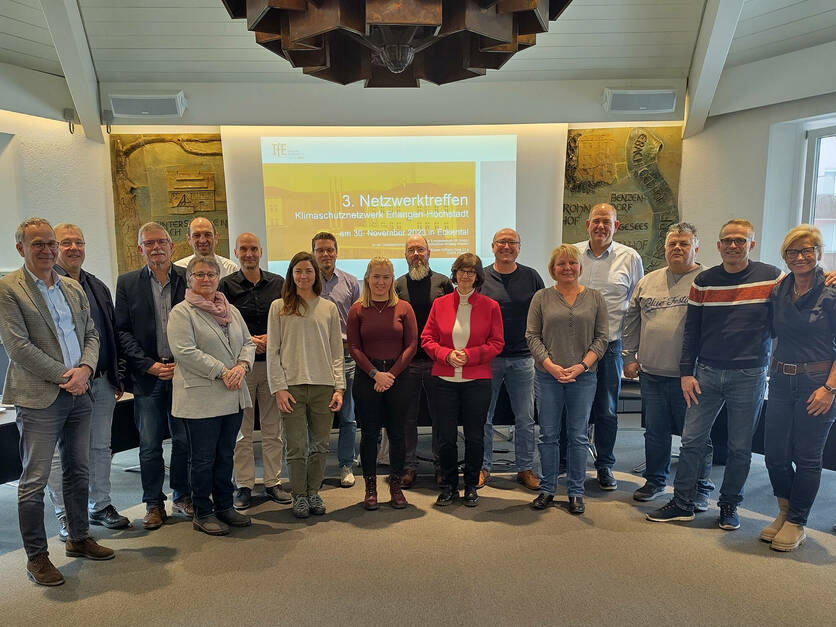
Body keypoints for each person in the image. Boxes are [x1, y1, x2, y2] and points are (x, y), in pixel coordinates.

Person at [647, 219, 782, 530]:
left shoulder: (771, 277)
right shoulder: (704, 281)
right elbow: (691, 331)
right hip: (705, 373)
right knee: (692, 440)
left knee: (738, 447)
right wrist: (685, 373)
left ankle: (728, 506)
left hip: (748, 375)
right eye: (727, 240)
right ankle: (682, 503)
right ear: (718, 246)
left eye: (740, 240)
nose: (733, 246)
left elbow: (792, 305)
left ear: (752, 244)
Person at [0, 217, 113, 587]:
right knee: (34, 480)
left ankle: (79, 538)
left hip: (80, 393)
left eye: (51, 243)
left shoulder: (70, 287)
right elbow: (18, 347)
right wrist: (68, 376)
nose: (48, 250)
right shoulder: (8, 289)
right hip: (40, 398)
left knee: (78, 471)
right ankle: (37, 557)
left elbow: (92, 333)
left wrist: (85, 369)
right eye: (39, 245)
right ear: (21, 248)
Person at [46, 224, 130, 541]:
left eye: (78, 242)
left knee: (99, 446)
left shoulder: (95, 285)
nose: (73, 248)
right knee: (62, 454)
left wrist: (116, 374)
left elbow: (109, 332)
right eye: (65, 242)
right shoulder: (46, 286)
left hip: (101, 381)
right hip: (63, 385)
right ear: (55, 247)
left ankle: (100, 505)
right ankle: (66, 513)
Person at [622, 223, 714, 508]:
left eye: (684, 244)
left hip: (692, 377)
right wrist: (629, 356)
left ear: (695, 248)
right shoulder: (648, 281)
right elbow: (632, 320)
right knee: (655, 432)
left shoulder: (707, 280)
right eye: (673, 243)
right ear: (665, 249)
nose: (677, 248)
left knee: (696, 436)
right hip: (652, 374)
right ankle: (655, 480)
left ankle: (700, 486)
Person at [168, 255, 256, 535]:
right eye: (200, 274)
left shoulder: (231, 310)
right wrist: (223, 371)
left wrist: (242, 366)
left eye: (211, 274)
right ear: (189, 279)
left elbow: (248, 342)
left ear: (218, 278)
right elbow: (185, 351)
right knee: (202, 459)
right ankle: (202, 512)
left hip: (232, 396)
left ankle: (224, 507)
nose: (206, 279)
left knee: (225, 454)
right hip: (201, 399)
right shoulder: (181, 312)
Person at [761, 225, 836, 551]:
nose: (801, 256)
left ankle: (797, 521)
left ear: (819, 254)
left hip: (817, 384)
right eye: (793, 252)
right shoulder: (779, 290)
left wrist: (830, 390)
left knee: (807, 457)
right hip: (779, 379)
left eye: (808, 250)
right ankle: (784, 510)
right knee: (774, 453)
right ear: (785, 257)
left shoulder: (832, 292)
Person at [116, 222, 191, 529]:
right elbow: (121, 331)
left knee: (184, 440)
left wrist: (182, 363)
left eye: (162, 242)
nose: (156, 247)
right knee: (149, 444)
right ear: (140, 249)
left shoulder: (189, 279)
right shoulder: (127, 283)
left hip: (184, 375)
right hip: (148, 377)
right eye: (149, 243)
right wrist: (148, 365)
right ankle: (153, 504)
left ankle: (183, 496)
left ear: (172, 247)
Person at [526, 245, 608, 514]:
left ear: (579, 267)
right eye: (561, 264)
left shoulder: (595, 298)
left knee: (578, 436)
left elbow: (602, 338)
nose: (567, 268)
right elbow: (532, 336)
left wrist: (582, 366)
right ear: (553, 269)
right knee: (548, 435)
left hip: (583, 378)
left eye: (572, 263)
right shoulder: (541, 297)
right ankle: (547, 489)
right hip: (547, 377)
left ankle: (575, 491)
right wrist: (549, 365)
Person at [422, 253, 504, 507]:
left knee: (475, 437)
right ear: (455, 274)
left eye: (471, 272)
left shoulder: (491, 306)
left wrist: (469, 356)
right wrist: (445, 355)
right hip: (444, 380)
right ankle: (448, 486)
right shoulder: (440, 304)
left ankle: (470, 486)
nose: (465, 276)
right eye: (461, 271)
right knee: (445, 437)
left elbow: (497, 343)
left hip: (476, 381)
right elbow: (427, 339)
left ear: (478, 276)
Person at [267, 252, 345, 519]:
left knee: (321, 445)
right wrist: (279, 387)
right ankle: (299, 495)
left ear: (316, 275)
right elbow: (273, 351)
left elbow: (337, 351)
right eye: (298, 271)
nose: (303, 276)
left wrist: (339, 388)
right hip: (292, 387)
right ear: (291, 274)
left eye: (308, 271)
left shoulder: (329, 308)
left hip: (324, 385)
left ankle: (314, 491)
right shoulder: (279, 307)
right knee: (297, 445)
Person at [574, 203, 643, 490]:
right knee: (573, 408)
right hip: (573, 347)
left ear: (616, 226)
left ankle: (604, 465)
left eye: (607, 222)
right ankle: (570, 461)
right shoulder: (572, 253)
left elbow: (639, 306)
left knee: (606, 410)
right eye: (596, 221)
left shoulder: (630, 257)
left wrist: (633, 352)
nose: (601, 226)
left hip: (611, 347)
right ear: (587, 224)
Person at [219, 233, 291, 510]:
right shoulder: (225, 286)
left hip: (273, 367)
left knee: (273, 430)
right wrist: (251, 342)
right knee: (242, 432)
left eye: (254, 249)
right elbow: (222, 324)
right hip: (241, 368)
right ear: (236, 252)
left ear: (261, 251)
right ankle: (245, 485)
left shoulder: (278, 283)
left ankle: (273, 482)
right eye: (244, 249)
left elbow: (287, 320)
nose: (249, 254)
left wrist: (268, 340)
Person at [347, 257, 418, 510]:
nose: (380, 282)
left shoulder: (404, 309)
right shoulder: (357, 309)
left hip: (399, 378)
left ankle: (396, 487)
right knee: (368, 435)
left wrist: (392, 375)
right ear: (367, 278)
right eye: (376, 276)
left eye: (386, 277)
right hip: (368, 378)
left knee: (398, 434)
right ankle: (370, 489)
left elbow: (411, 346)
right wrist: (376, 373)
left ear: (392, 279)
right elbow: (354, 347)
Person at [479, 227, 544, 491]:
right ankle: (483, 467)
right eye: (501, 242)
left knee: (525, 418)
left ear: (519, 247)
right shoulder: (481, 276)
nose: (506, 246)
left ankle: (525, 468)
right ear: (492, 247)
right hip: (488, 358)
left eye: (512, 242)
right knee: (484, 416)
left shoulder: (531, 277)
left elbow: (542, 313)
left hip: (523, 358)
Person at [394, 234, 454, 487]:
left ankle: (442, 466)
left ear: (429, 253)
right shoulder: (397, 285)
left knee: (440, 415)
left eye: (420, 249)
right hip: (407, 362)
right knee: (408, 417)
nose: (416, 254)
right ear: (405, 256)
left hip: (437, 361)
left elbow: (453, 319)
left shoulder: (444, 283)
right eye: (411, 250)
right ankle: (409, 467)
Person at [312, 232, 360, 488]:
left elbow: (357, 323)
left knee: (348, 416)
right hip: (316, 358)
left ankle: (345, 465)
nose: (325, 254)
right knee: (319, 416)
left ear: (336, 252)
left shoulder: (351, 283)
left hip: (346, 356)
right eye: (320, 250)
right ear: (314, 253)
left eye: (329, 250)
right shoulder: (306, 283)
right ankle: (317, 467)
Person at [174, 216, 238, 278]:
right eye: (197, 235)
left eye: (207, 235)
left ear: (216, 237)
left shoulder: (230, 269)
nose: (202, 240)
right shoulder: (178, 270)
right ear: (189, 239)